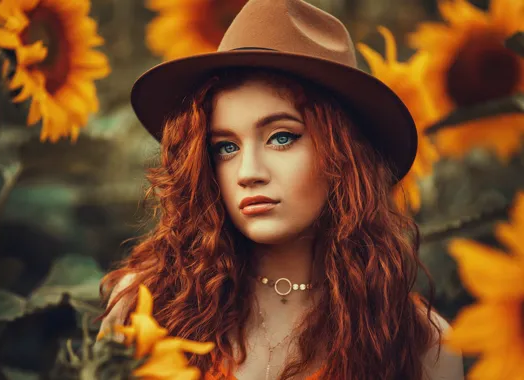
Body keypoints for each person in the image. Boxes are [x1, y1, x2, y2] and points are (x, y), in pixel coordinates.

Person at [99, 0, 464, 379]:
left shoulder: (418, 344)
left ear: (344, 154)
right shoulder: (146, 307)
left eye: (281, 137)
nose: (248, 172)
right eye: (225, 147)